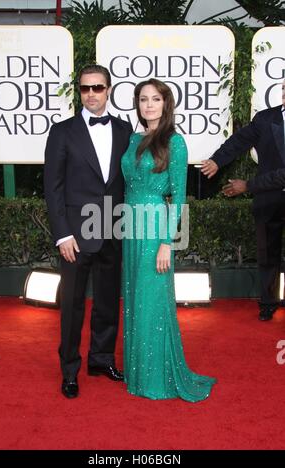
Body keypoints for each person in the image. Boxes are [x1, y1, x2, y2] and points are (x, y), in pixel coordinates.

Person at [121, 78, 216, 401]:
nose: (149, 105)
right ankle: (137, 373)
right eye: (143, 99)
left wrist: (166, 241)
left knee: (152, 300)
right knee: (134, 298)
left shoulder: (175, 142)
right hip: (130, 226)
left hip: (154, 228)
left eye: (155, 99)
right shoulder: (133, 139)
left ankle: (156, 378)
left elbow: (179, 196)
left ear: (166, 104)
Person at [44, 64, 133, 398]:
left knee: (109, 300)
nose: (92, 94)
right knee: (72, 306)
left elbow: (129, 181)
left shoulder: (125, 130)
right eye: (85, 88)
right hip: (76, 237)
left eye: (98, 87)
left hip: (113, 229)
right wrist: (62, 234)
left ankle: (101, 358)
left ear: (108, 89)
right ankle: (70, 370)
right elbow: (53, 188)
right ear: (78, 91)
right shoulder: (62, 132)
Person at [201, 80, 285, 321]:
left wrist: (247, 186)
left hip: (262, 187)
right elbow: (239, 141)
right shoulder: (265, 119)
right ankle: (268, 302)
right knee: (267, 252)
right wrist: (217, 161)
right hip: (269, 199)